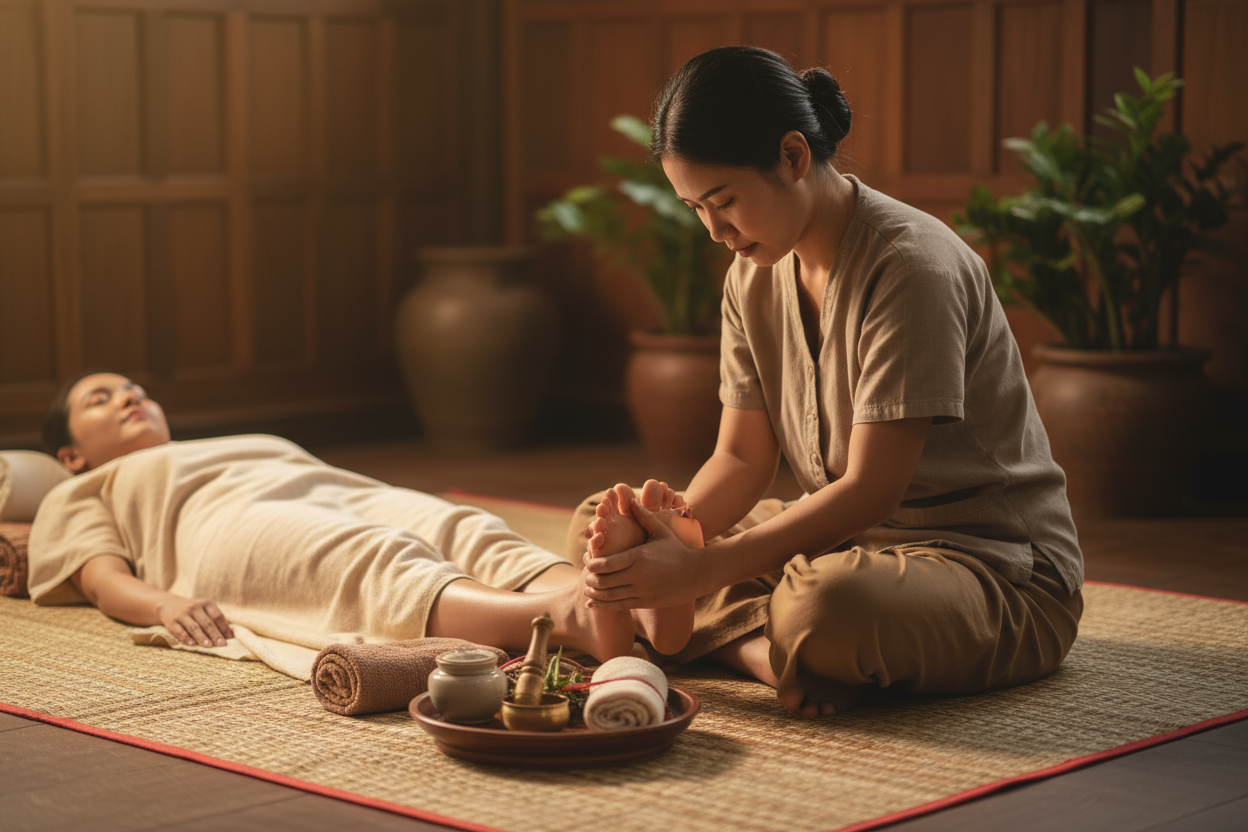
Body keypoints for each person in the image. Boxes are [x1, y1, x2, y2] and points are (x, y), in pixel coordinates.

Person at [578, 45, 1084, 718]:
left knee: (826, 606)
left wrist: (699, 573)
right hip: (846, 545)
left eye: (724, 202)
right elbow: (740, 457)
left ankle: (729, 639)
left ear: (792, 157)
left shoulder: (911, 268)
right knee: (605, 521)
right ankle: (768, 653)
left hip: (993, 570)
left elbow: (872, 490)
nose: (714, 232)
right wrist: (676, 540)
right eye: (695, 208)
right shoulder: (750, 276)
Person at [27, 371, 669, 663]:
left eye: (135, 390)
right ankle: (569, 621)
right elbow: (97, 576)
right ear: (71, 454)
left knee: (461, 526)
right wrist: (164, 604)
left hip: (330, 487)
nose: (128, 398)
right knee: (372, 553)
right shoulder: (82, 489)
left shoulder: (218, 442)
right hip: (227, 527)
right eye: (100, 398)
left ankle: (627, 602)